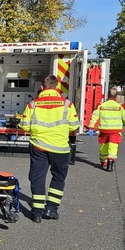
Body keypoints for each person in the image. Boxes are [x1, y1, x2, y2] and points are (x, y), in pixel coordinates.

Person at [19, 75, 80, 223]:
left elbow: (24, 126)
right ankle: (51, 209)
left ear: (42, 88)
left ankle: (36, 213)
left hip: (38, 146)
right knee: (58, 177)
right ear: (57, 87)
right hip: (60, 147)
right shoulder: (68, 105)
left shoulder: (33, 105)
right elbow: (74, 126)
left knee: (37, 177)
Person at [88, 87, 125, 171]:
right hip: (115, 131)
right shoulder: (120, 107)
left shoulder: (101, 106)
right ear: (116, 96)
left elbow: (94, 117)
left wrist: (91, 128)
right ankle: (110, 164)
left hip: (104, 130)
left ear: (107, 95)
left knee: (104, 146)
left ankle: (103, 162)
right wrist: (123, 123)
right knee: (113, 147)